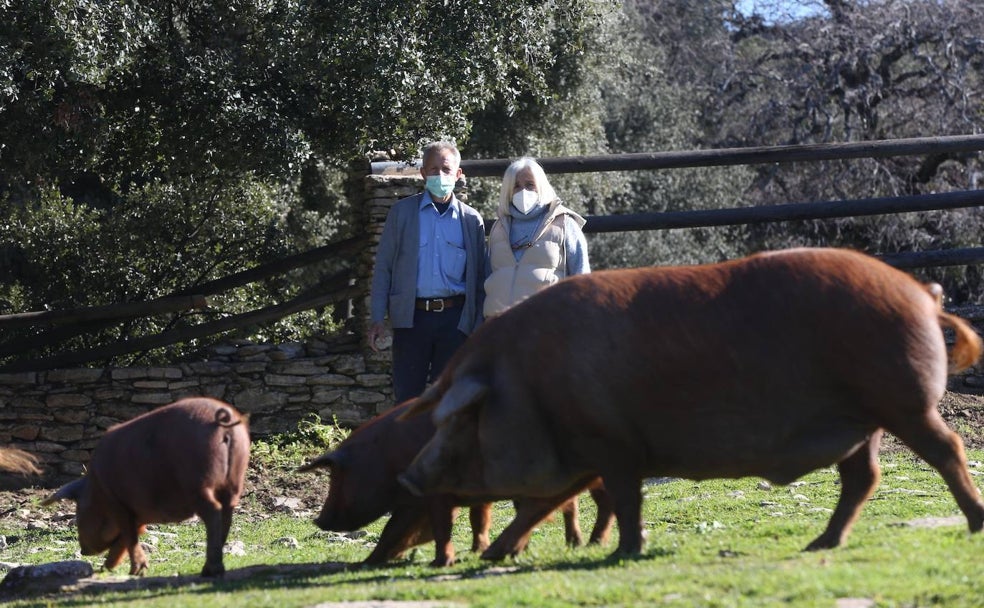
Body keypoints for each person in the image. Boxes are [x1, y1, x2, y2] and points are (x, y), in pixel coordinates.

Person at [368, 141, 486, 404]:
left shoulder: (471, 220)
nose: (440, 176)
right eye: (433, 169)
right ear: (422, 173)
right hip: (412, 320)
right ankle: (406, 447)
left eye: (446, 169)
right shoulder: (401, 214)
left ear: (458, 175)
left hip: (456, 323)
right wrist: (378, 318)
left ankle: (444, 448)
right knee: (407, 400)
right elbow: (384, 268)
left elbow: (479, 277)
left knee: (450, 401)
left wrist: (477, 325)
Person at [483, 156, 589, 318]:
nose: (523, 191)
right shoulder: (498, 228)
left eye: (530, 185)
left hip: (548, 325)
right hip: (500, 328)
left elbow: (581, 276)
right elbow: (489, 278)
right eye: (516, 186)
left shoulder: (565, 224)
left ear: (541, 186)